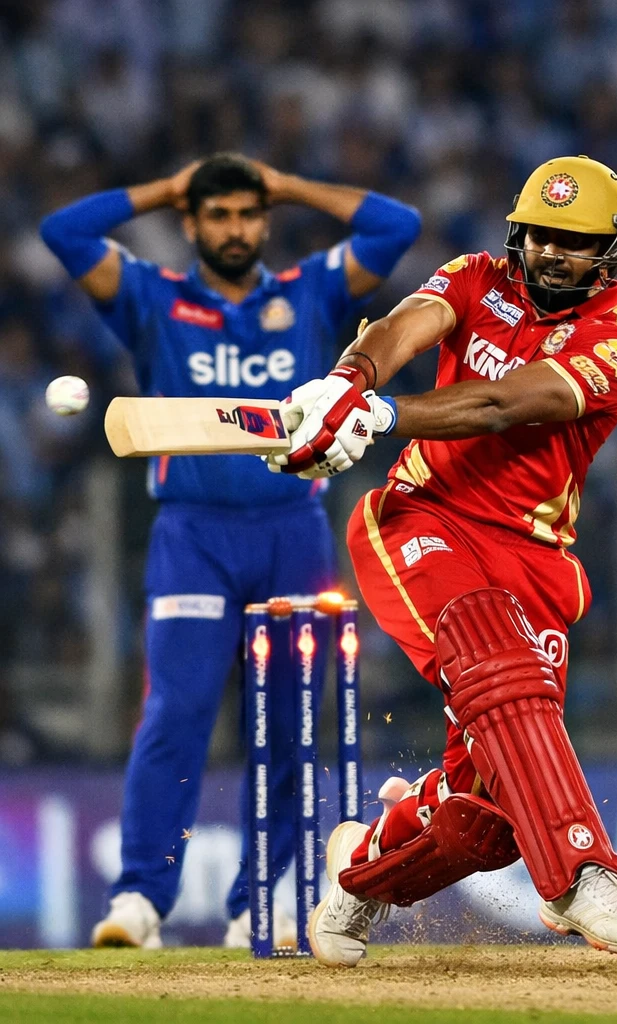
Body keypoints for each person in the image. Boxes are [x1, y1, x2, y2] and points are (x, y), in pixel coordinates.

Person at [264, 155, 617, 966]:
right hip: (419, 519)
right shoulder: (476, 276)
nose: (557, 255)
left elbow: (502, 404)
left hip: (531, 559)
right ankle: (582, 873)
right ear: (520, 233)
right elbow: (401, 327)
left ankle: (360, 873)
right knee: (499, 659)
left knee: (481, 822)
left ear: (611, 252)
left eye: (579, 242)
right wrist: (348, 380)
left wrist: (378, 412)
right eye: (545, 236)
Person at [39, 154, 420, 950]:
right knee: (174, 714)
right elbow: (63, 231)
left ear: (266, 218)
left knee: (288, 727)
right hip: (192, 536)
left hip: (293, 530)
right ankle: (141, 899)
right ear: (192, 222)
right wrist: (162, 185)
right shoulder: (154, 299)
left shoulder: (310, 291)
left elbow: (397, 226)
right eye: (218, 215)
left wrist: (291, 183)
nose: (236, 228)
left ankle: (264, 899)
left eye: (250, 213)